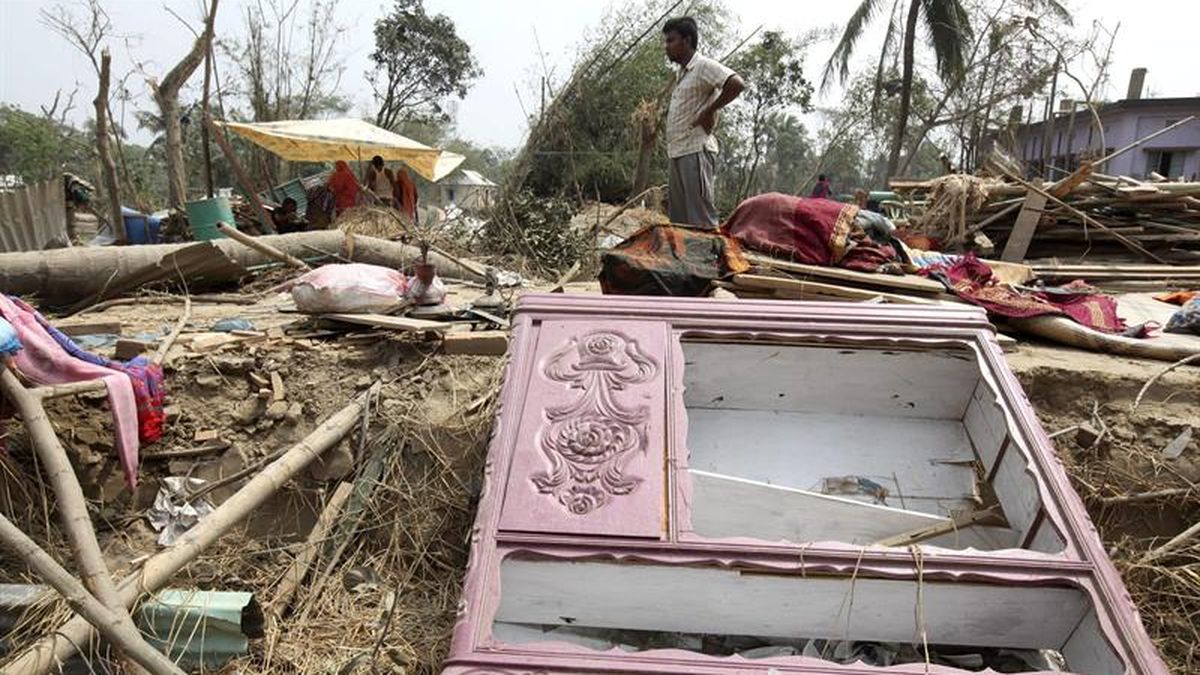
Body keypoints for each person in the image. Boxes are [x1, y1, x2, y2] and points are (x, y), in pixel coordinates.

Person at [663, 16, 744, 228]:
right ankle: (684, 260)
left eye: (671, 41)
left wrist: (709, 110)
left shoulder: (702, 66)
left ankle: (706, 260)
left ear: (687, 40)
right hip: (677, 151)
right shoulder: (683, 73)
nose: (667, 47)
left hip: (695, 149)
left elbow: (736, 83)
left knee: (700, 220)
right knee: (679, 222)